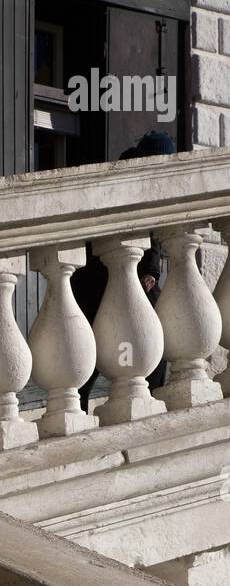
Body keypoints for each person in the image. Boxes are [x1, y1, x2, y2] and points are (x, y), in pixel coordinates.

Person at [74, 130, 175, 411]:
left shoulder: (121, 181)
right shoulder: (138, 183)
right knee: (147, 327)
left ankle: (80, 402)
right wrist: (151, 271)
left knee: (96, 340)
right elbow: (147, 233)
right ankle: (151, 393)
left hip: (102, 277)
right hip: (108, 275)